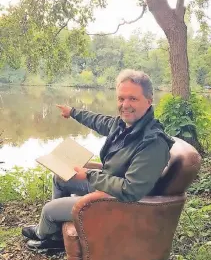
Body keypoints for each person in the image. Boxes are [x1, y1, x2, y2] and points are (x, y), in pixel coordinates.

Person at [22, 69, 174, 250]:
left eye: (133, 99)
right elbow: (98, 120)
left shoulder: (152, 142)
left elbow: (131, 190)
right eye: (121, 98)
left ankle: (45, 235)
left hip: (115, 202)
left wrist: (89, 175)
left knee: (49, 210)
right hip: (106, 187)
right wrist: (73, 112)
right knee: (60, 178)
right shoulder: (123, 125)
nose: (125, 104)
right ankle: (54, 233)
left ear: (148, 101)